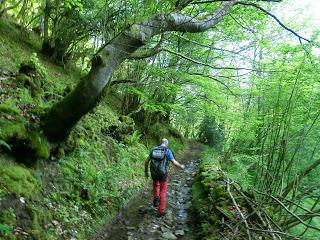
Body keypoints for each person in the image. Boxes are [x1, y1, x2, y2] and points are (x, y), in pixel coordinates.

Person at [144, 138, 185, 217]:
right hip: (163, 173)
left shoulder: (153, 149)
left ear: (161, 143)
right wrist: (181, 166)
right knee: (163, 190)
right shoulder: (167, 151)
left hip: (154, 172)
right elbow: (174, 162)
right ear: (166, 143)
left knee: (155, 184)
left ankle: (156, 198)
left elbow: (146, 161)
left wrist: (146, 172)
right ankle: (160, 211)